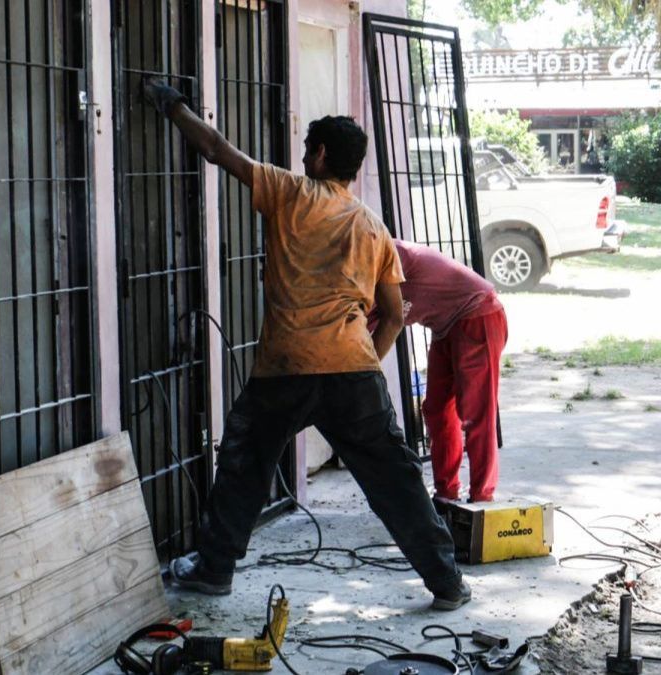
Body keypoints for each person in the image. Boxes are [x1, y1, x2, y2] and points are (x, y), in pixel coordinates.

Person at [142, 80, 471, 610]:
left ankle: (214, 570)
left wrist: (172, 105)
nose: (301, 158)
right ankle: (447, 583)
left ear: (319, 155)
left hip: (285, 369)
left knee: (245, 464)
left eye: (305, 151)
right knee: (396, 481)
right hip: (354, 373)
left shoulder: (289, 193)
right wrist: (363, 361)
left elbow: (215, 149)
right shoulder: (373, 227)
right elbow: (394, 313)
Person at [368, 240, 507, 503]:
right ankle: (445, 493)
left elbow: (391, 319)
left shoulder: (387, 251)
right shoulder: (356, 272)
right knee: (437, 409)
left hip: (477, 314)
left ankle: (482, 497)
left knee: (476, 411)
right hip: (446, 327)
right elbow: (362, 324)